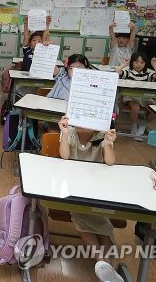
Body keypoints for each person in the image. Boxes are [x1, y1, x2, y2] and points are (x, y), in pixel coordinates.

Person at [58, 115, 124, 282]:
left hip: (97, 188)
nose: (83, 122)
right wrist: (64, 133)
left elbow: (110, 161)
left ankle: (105, 268)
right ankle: (105, 265)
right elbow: (64, 156)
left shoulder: (102, 135)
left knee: (100, 223)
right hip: (74, 187)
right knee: (82, 218)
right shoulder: (70, 133)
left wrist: (108, 144)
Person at [115, 51, 156, 139]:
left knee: (154, 108)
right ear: (132, 62)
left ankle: (143, 124)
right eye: (136, 62)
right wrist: (125, 64)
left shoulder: (148, 73)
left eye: (142, 62)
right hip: (130, 97)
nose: (139, 64)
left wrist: (154, 65)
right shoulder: (128, 72)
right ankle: (134, 127)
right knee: (135, 107)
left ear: (145, 64)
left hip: (145, 97)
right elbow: (117, 72)